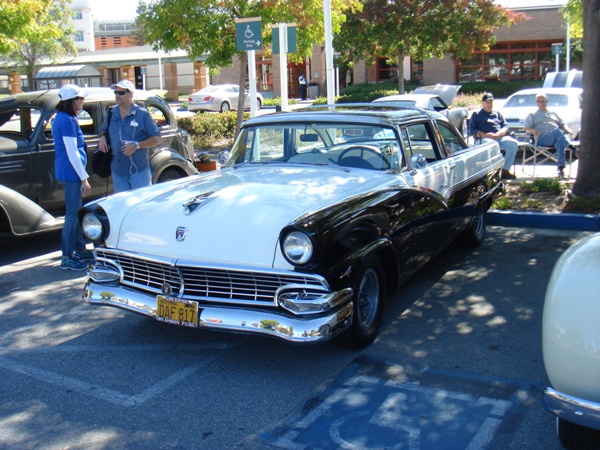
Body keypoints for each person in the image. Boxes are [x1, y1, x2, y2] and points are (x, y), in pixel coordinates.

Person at [52, 84, 93, 270]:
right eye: (80, 98)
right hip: (71, 173)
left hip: (67, 171)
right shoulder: (67, 120)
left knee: (75, 213)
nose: (82, 101)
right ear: (72, 101)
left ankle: (80, 250)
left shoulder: (62, 118)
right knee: (72, 215)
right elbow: (72, 152)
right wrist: (84, 178)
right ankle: (67, 256)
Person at [97, 80, 162, 193]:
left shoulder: (142, 114)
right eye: (116, 92)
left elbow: (157, 139)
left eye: (121, 93)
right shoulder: (111, 112)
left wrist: (136, 145)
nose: (117, 95)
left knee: (141, 202)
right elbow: (104, 130)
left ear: (131, 94)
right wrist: (102, 137)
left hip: (139, 171)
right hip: (118, 170)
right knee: (122, 203)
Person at [469, 93, 519, 180]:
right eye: (487, 102)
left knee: (513, 144)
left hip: (499, 137)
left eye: (491, 102)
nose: (489, 104)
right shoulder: (476, 114)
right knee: (491, 144)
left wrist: (500, 133)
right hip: (483, 139)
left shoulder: (497, 113)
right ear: (482, 103)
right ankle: (491, 172)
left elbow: (505, 126)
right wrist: (486, 135)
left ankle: (505, 170)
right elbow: (472, 130)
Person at [524, 92, 573, 178]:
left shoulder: (553, 113)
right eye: (537, 101)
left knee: (560, 144)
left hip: (555, 140)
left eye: (542, 101)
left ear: (547, 101)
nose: (540, 103)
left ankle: (561, 169)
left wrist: (567, 129)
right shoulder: (532, 114)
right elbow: (526, 129)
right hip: (541, 139)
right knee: (557, 131)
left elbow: (562, 123)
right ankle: (573, 148)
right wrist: (532, 130)